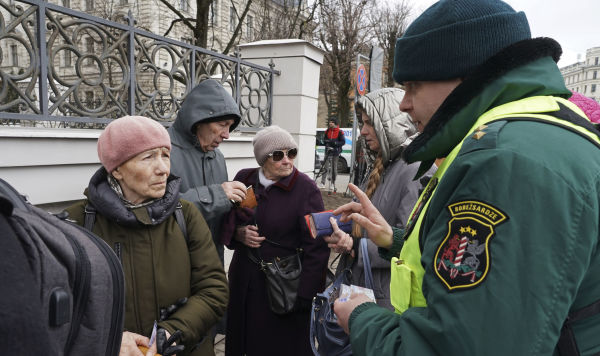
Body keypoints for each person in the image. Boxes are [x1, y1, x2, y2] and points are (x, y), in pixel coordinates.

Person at [329, 0, 600, 355]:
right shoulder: (535, 133)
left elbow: (458, 346)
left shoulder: (505, 161)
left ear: (466, 77)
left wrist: (361, 317)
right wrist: (394, 240)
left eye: (413, 85)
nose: (403, 104)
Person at [64, 116, 229, 356]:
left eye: (165, 155)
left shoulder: (186, 215)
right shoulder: (77, 222)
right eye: (148, 157)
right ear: (117, 168)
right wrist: (110, 338)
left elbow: (214, 289)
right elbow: (61, 305)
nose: (163, 168)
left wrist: (171, 333)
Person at [221, 125, 329, 356]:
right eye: (278, 155)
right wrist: (238, 233)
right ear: (263, 159)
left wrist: (305, 294)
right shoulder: (244, 179)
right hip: (244, 282)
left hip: (283, 286)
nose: (287, 160)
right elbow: (228, 219)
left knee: (277, 345)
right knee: (241, 341)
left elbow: (317, 247)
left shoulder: (305, 188)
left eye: (292, 153)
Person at [326, 88, 434, 310]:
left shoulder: (416, 171)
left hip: (388, 298)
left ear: (391, 124)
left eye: (369, 123)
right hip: (366, 288)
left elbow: (413, 245)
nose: (363, 131)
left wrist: (357, 246)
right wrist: (345, 235)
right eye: (362, 123)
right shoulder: (382, 166)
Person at [168, 79, 247, 266]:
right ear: (198, 119)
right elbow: (158, 211)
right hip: (175, 268)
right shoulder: (162, 150)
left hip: (213, 265)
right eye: (222, 124)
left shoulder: (217, 157)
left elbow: (217, 219)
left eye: (230, 126)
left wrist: (237, 230)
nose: (227, 134)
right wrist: (218, 194)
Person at [320, 117, 346, 189]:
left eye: (332, 122)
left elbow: (343, 142)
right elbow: (324, 140)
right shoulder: (327, 131)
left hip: (335, 152)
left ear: (335, 123)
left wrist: (335, 143)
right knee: (325, 167)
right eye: (330, 122)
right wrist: (327, 142)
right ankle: (322, 183)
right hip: (327, 151)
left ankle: (332, 183)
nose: (330, 123)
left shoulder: (340, 132)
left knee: (334, 168)